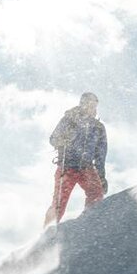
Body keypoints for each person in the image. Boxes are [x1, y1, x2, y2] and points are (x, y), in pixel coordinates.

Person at [44, 92, 108, 227]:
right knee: (59, 204)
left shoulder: (98, 128)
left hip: (87, 168)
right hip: (67, 167)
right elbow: (53, 139)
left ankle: (88, 223)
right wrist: (65, 139)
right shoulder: (70, 119)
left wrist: (101, 176)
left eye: (94, 105)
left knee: (96, 194)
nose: (91, 108)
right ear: (82, 104)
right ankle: (47, 233)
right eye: (88, 104)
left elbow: (100, 155)